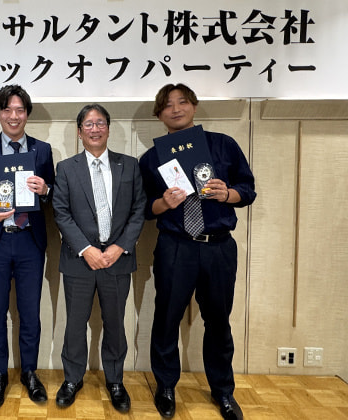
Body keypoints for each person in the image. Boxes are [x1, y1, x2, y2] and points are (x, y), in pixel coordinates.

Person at [139, 83, 256, 420]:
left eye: (182, 102)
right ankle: (165, 387)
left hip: (218, 247)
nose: (176, 109)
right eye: (167, 105)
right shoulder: (152, 158)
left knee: (218, 321)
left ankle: (223, 391)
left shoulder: (223, 144)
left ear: (194, 106)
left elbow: (248, 190)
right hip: (175, 246)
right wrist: (164, 202)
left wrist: (227, 194)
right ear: (159, 114)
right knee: (166, 319)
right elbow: (146, 209)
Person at [52, 104, 146, 413]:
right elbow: (61, 213)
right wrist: (86, 249)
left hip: (117, 259)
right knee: (75, 324)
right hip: (79, 260)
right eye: (89, 124)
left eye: (100, 123)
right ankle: (72, 379)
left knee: (115, 323)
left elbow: (139, 210)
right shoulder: (66, 168)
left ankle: (115, 380)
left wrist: (120, 247)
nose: (95, 129)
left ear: (108, 128)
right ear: (79, 132)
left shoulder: (129, 165)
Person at [0, 85, 55, 408]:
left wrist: (45, 190)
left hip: (30, 240)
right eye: (7, 110)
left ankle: (29, 372)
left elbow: (52, 193)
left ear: (27, 114)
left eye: (19, 110)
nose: (13, 116)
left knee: (30, 312)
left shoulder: (42, 150)